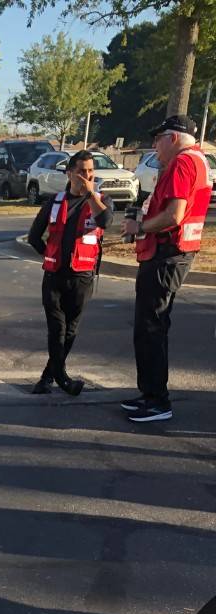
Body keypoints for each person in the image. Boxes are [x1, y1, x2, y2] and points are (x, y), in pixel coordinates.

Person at [120, 114, 211, 424]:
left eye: (157, 140)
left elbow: (174, 215)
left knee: (151, 328)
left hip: (167, 254)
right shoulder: (196, 160)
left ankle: (157, 401)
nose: (154, 147)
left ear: (173, 138)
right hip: (175, 252)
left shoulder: (183, 163)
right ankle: (150, 395)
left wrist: (140, 227)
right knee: (151, 326)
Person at [27, 150, 113, 396]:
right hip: (54, 276)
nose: (87, 177)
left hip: (82, 277)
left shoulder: (101, 200)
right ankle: (61, 377)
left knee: (71, 329)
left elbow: (106, 221)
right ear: (69, 173)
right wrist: (49, 256)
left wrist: (89, 194)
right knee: (56, 328)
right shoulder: (53, 202)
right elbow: (34, 237)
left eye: (91, 172)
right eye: (81, 172)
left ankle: (47, 376)